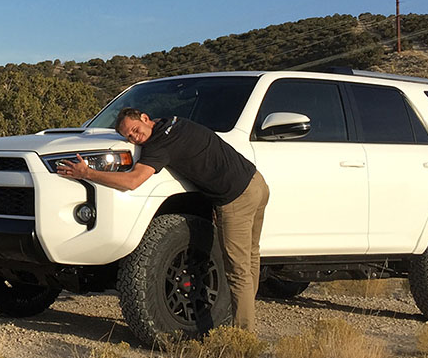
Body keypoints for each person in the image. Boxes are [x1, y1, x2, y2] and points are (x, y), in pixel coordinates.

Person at [56, 107, 269, 332]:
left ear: (146, 119)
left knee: (237, 270)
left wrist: (87, 173)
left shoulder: (158, 145)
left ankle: (243, 336)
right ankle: (248, 317)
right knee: (251, 258)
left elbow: (133, 181)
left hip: (235, 198)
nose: (135, 138)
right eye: (129, 136)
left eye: (136, 130)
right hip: (256, 182)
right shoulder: (175, 121)